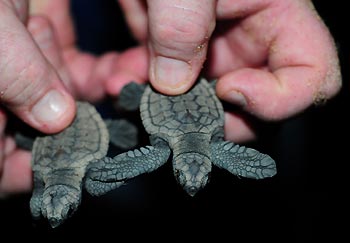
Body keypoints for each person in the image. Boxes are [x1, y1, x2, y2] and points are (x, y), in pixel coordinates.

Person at [0, 0, 342, 197]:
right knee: (130, 97)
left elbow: (267, 166)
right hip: (178, 81)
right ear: (209, 160)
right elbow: (265, 166)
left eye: (189, 177)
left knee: (130, 98)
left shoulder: (169, 147)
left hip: (170, 85)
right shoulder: (195, 146)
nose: (191, 185)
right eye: (193, 176)